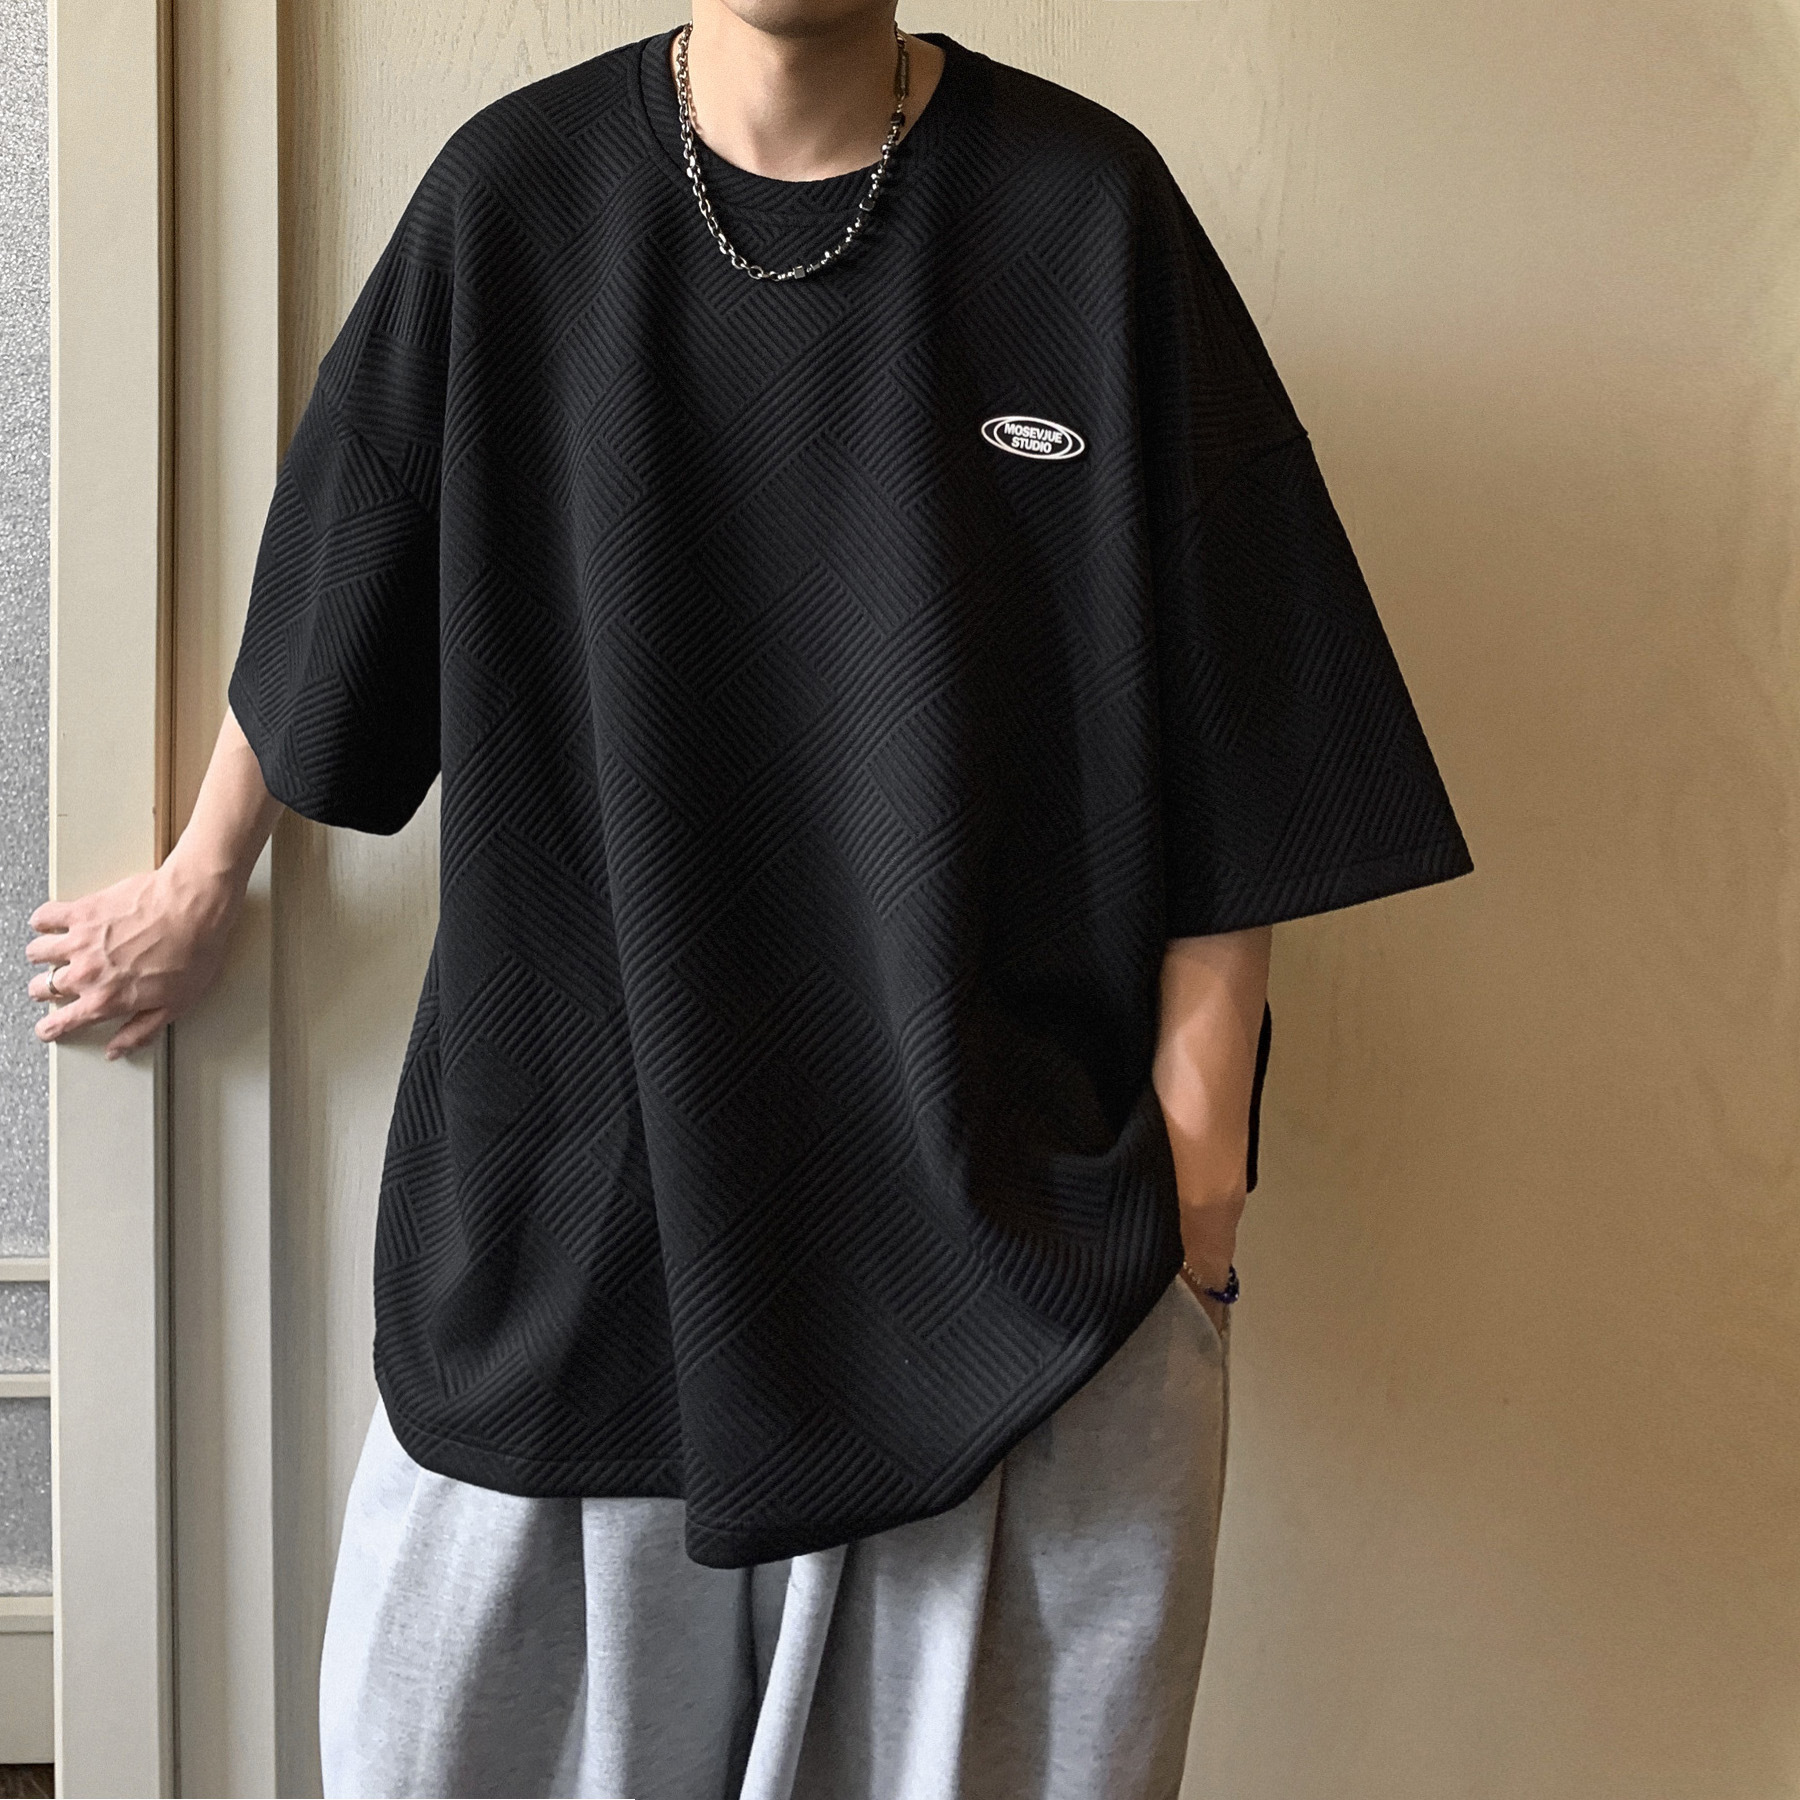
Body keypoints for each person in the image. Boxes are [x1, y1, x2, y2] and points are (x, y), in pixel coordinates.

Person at [24, 4, 1473, 1796]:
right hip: (578, 1254)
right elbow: (350, 555)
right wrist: (201, 873)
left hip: (1007, 1274)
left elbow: (1242, 711)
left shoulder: (1090, 215)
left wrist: (1201, 1168)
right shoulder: (515, 201)